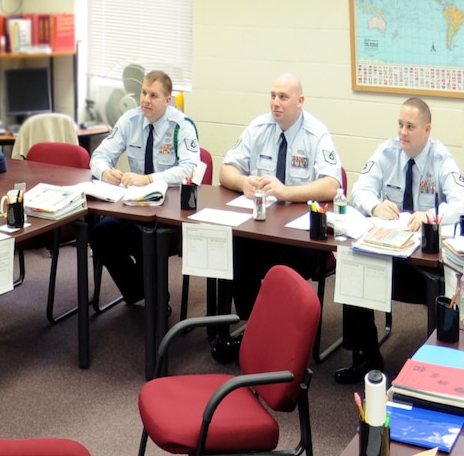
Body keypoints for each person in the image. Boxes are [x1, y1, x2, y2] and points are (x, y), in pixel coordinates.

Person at [340, 97, 464, 384]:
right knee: (353, 263)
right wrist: (375, 206)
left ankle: (434, 367)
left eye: (410, 127)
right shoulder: (387, 152)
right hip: (390, 249)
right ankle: (366, 358)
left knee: (438, 284)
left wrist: (431, 215)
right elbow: (359, 191)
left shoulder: (441, 159)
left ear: (427, 129)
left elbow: (463, 205)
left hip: (424, 260)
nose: (402, 132)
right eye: (400, 125)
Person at [217, 73, 342, 357]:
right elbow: (227, 168)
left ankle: (276, 337)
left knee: (286, 266)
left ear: (300, 101)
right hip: (264, 226)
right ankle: (252, 326)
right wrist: (242, 182)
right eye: (273, 96)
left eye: (283, 97)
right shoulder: (259, 127)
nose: (275, 103)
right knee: (238, 247)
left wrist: (287, 192)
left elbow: (332, 185)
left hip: (301, 235)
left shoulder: (316, 133)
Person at [85, 70, 200, 309]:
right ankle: (140, 290)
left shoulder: (181, 126)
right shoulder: (130, 120)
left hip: (170, 212)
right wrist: (105, 171)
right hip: (134, 206)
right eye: (144, 93)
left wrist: (149, 179)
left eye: (154, 95)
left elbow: (189, 169)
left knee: (144, 240)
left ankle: (156, 300)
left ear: (167, 100)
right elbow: (99, 155)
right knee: (99, 234)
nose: (146, 100)